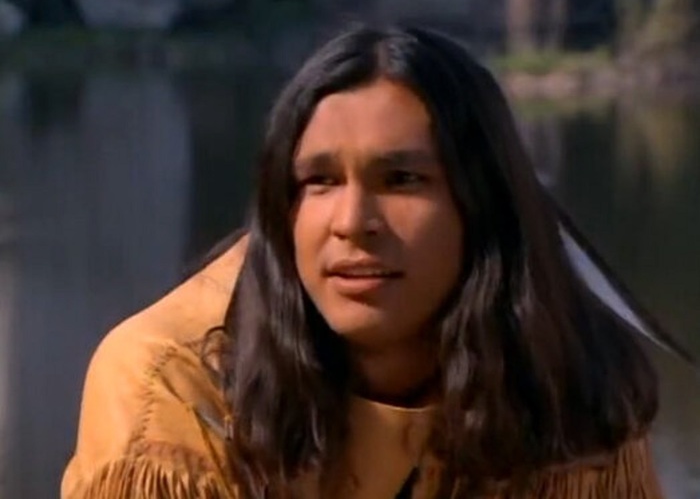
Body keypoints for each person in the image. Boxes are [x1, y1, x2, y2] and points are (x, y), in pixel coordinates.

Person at [62, 25, 664, 498]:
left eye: (402, 179)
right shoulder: (172, 389)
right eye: (319, 181)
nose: (352, 222)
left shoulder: (568, 378)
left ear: (484, 205)